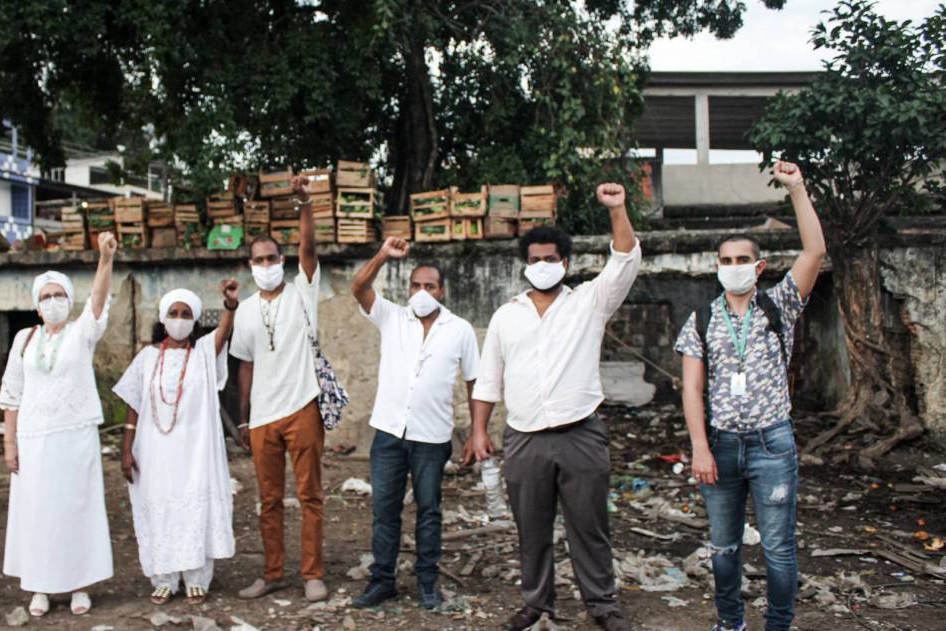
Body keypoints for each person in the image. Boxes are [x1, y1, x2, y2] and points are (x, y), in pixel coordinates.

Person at [464, 184, 641, 631]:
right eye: (535, 259)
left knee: (589, 526)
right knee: (532, 528)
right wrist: (479, 431)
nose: (542, 266)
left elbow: (624, 260)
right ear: (526, 265)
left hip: (580, 434)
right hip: (524, 438)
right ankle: (536, 603)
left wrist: (617, 208)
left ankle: (601, 605)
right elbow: (488, 380)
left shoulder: (589, 303)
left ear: (566, 262)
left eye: (551, 259)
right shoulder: (507, 315)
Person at [675, 160, 825, 631]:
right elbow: (692, 389)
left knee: (779, 548)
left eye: (743, 260)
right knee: (724, 548)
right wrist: (699, 447)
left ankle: (778, 625)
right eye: (726, 261)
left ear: (758, 267)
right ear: (716, 267)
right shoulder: (701, 319)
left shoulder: (779, 304)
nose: (734, 267)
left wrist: (797, 188)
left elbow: (815, 251)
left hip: (771, 446)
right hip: (720, 447)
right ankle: (730, 622)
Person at [348, 237, 480, 611]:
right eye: (416, 285)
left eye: (430, 286)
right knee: (385, 511)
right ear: (408, 288)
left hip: (432, 437)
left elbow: (475, 383)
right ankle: (383, 581)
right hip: (389, 432)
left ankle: (427, 584)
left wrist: (475, 431)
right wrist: (383, 255)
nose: (422, 292)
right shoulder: (392, 316)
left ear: (442, 290)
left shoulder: (460, 330)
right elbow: (359, 287)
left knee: (429, 511)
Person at [0, 231, 117, 617]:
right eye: (45, 297)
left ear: (69, 300)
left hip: (74, 435)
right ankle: (40, 586)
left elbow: (97, 303)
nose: (52, 302)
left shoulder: (81, 333)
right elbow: (12, 394)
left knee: (74, 508)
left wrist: (105, 259)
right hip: (33, 439)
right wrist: (9, 445)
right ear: (36, 305)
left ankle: (79, 584)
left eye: (58, 295)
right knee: (36, 511)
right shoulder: (23, 339)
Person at [231, 176, 329, 603]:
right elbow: (245, 365)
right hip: (263, 419)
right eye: (259, 259)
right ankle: (272, 573)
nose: (266, 265)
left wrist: (304, 204)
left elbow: (309, 249)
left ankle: (312, 574)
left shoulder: (302, 292)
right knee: (268, 500)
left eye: (272, 257)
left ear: (282, 260)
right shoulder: (246, 310)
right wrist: (244, 415)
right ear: (250, 265)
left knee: (310, 495)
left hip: (302, 407)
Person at [113, 281, 240, 605]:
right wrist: (126, 449)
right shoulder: (146, 357)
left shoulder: (201, 355)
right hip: (154, 450)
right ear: (163, 317)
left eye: (186, 314)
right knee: (160, 511)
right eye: (174, 312)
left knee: (194, 508)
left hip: (195, 451)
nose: (179, 318)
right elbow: (133, 403)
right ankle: (164, 578)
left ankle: (197, 577)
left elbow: (223, 334)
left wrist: (228, 306)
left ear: (195, 321)